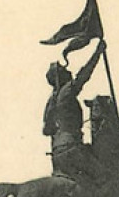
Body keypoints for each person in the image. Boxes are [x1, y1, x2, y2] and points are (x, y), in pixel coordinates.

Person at [43, 40, 106, 185]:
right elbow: (84, 75)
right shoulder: (66, 92)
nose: (69, 71)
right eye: (65, 71)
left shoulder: (50, 102)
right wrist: (98, 52)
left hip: (57, 155)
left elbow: (46, 130)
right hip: (73, 148)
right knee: (106, 177)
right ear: (61, 77)